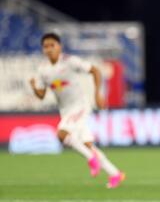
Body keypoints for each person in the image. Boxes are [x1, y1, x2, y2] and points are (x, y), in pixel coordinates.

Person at [29, 32, 125, 189]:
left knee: (62, 135)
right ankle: (115, 173)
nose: (49, 49)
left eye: (52, 45)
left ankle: (91, 159)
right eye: (45, 46)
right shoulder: (43, 70)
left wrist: (98, 94)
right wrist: (34, 87)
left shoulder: (70, 62)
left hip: (80, 105)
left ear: (59, 46)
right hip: (65, 110)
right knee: (87, 144)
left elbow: (95, 70)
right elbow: (41, 95)